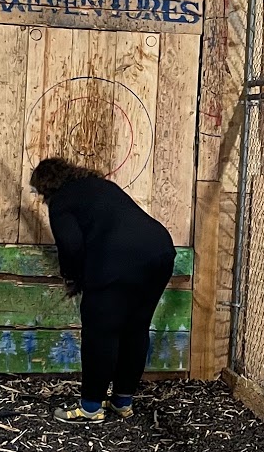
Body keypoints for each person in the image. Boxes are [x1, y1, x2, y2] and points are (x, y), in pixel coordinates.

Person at [29, 156, 176, 423]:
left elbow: (71, 246)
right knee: (136, 328)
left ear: (46, 187)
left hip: (118, 260)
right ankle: (122, 401)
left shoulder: (62, 201)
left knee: (100, 332)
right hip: (160, 250)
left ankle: (91, 407)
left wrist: (73, 278)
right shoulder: (101, 186)